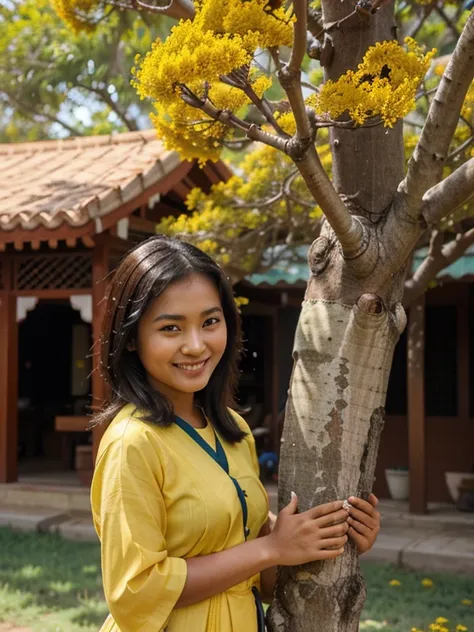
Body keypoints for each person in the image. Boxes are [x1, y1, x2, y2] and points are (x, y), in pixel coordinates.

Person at [90, 235, 381, 632]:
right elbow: (135, 592)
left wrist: (336, 539)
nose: (196, 345)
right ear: (130, 340)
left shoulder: (234, 430)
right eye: (171, 327)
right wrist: (270, 547)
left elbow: (259, 580)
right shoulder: (132, 443)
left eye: (210, 322)